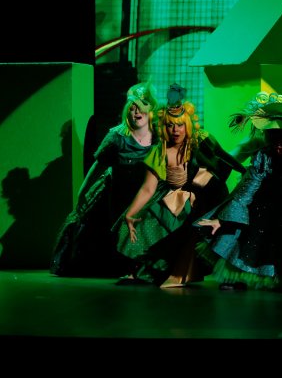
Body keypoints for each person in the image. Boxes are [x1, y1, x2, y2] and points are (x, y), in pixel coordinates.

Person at [197, 96, 282, 294]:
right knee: (251, 237)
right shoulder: (263, 155)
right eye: (273, 135)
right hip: (266, 209)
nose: (278, 141)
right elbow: (248, 187)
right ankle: (245, 275)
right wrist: (224, 219)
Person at [115, 84, 227, 287]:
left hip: (197, 200)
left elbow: (215, 177)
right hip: (169, 197)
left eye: (180, 125)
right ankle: (142, 270)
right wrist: (130, 213)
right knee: (144, 222)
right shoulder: (158, 152)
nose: (175, 130)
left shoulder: (199, 147)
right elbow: (148, 188)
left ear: (187, 126)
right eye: (170, 125)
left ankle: (171, 271)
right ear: (163, 127)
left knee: (180, 229)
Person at [51, 82, 159, 277]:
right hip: (117, 192)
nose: (137, 111)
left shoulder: (159, 136)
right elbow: (97, 167)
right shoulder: (116, 136)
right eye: (132, 106)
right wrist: (83, 192)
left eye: (142, 105)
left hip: (147, 192)